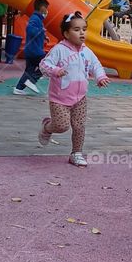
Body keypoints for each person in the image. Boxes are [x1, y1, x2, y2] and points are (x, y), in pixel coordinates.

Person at [38, 12, 109, 166]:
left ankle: (76, 153)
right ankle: (47, 127)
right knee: (62, 126)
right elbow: (43, 65)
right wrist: (56, 70)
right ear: (66, 34)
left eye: (84, 29)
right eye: (76, 30)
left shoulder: (86, 51)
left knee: (79, 126)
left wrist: (100, 77)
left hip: (80, 98)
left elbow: (95, 65)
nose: (82, 32)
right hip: (59, 98)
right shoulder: (59, 50)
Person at [13, 0, 49, 96]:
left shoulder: (37, 19)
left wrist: (44, 36)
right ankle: (32, 81)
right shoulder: (35, 18)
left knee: (29, 70)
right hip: (35, 51)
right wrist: (41, 31)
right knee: (46, 65)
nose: (47, 11)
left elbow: (36, 31)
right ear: (42, 8)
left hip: (31, 50)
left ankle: (18, 88)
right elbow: (30, 30)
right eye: (46, 8)